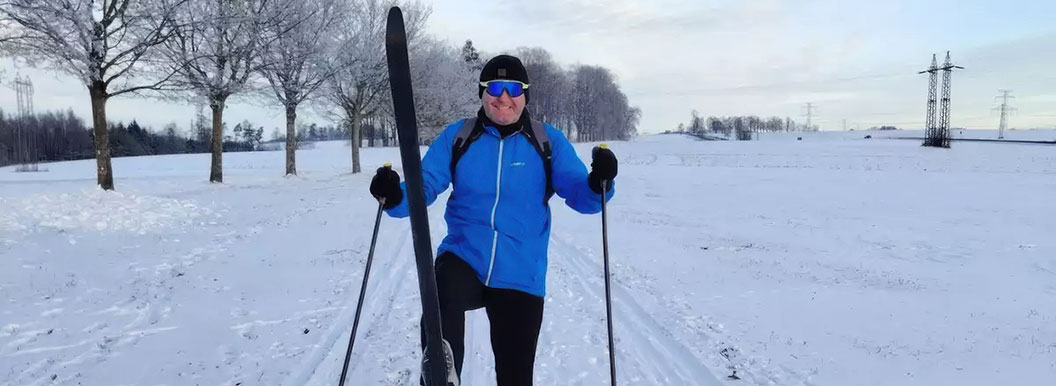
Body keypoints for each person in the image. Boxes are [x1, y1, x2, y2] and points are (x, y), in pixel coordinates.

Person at [369, 54, 617, 386]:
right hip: (465, 257)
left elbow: (580, 195)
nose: (503, 97)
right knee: (440, 288)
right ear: (482, 93)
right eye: (494, 87)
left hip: (520, 273)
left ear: (525, 95)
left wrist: (599, 181)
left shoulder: (547, 141)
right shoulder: (459, 137)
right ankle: (442, 373)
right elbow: (424, 185)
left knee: (515, 376)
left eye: (513, 88)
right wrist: (395, 196)